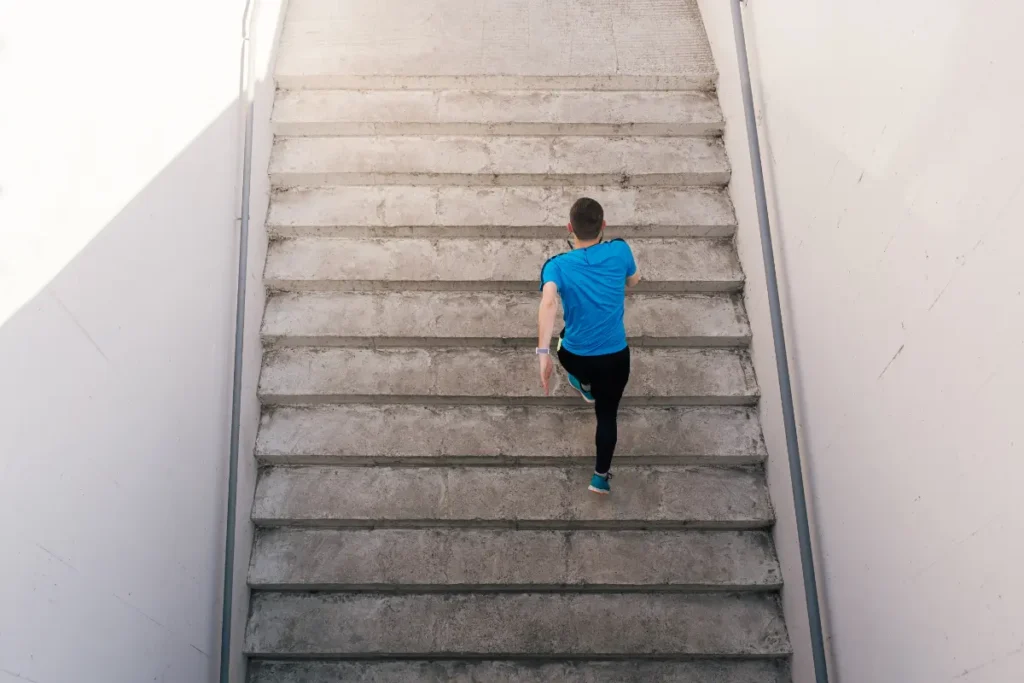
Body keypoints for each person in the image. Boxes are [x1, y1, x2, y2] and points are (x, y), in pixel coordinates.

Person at [536, 197, 641, 494]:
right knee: (607, 417)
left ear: (570, 228)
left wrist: (543, 354)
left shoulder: (556, 265)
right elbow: (634, 281)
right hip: (616, 359)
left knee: (562, 343)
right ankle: (600, 477)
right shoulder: (620, 250)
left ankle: (583, 383)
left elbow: (548, 302)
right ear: (603, 226)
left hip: (575, 357)